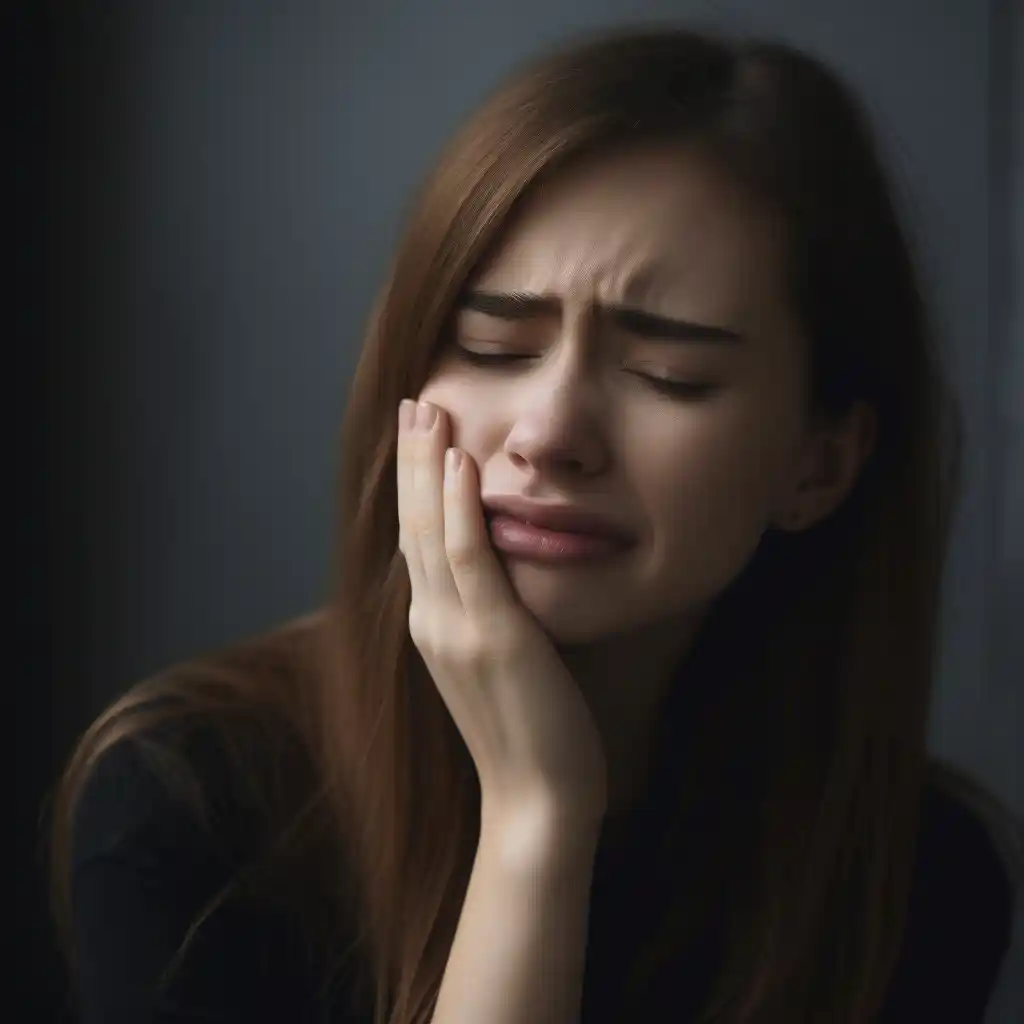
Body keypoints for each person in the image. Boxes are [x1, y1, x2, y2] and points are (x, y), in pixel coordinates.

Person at [47, 23, 1018, 1024]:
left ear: (817, 463)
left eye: (668, 375)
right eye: (492, 345)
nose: (550, 435)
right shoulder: (192, 802)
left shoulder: (913, 878)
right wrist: (536, 817)